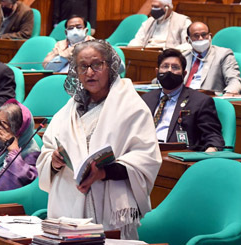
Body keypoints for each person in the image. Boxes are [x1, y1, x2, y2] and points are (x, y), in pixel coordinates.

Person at [37, 40, 161, 240]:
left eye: (97, 65)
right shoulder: (68, 110)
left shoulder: (132, 107)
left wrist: (102, 172)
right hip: (66, 205)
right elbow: (47, 151)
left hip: (109, 209)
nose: (89, 72)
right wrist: (54, 161)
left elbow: (146, 159)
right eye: (83, 67)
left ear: (110, 66)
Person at [142, 48, 225, 152]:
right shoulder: (146, 99)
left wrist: (211, 151)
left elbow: (213, 138)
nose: (169, 71)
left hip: (176, 157)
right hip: (145, 152)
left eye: (175, 67)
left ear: (184, 74)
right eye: (165, 66)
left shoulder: (200, 102)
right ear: (157, 72)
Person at [183, 22, 241, 94]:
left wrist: (229, 93)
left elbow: (234, 80)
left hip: (208, 99)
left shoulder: (223, 54)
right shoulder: (183, 57)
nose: (201, 38)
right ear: (188, 39)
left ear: (210, 36)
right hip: (183, 98)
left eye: (204, 35)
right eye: (196, 36)